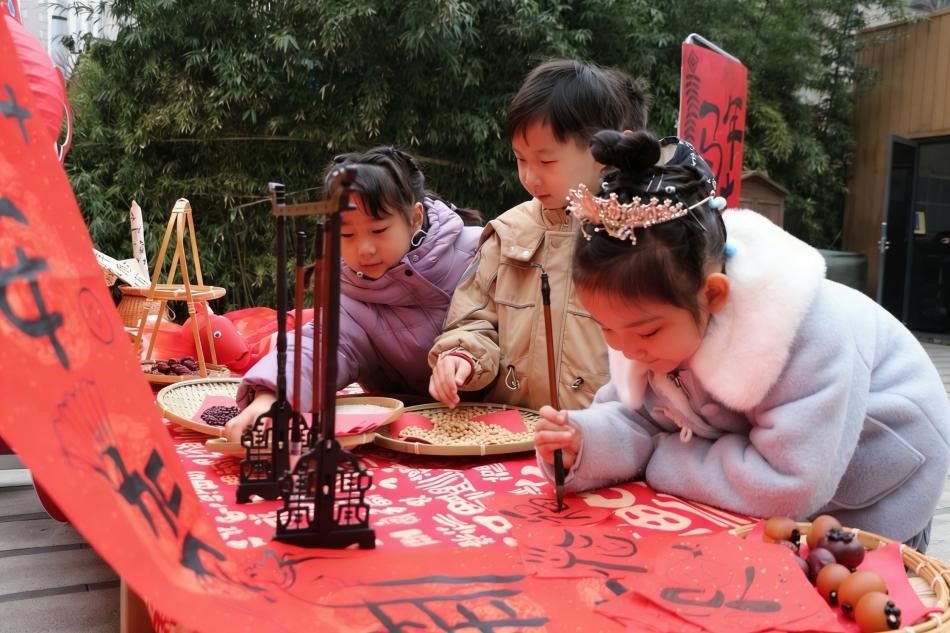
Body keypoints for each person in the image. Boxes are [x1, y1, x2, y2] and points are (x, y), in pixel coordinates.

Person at [534, 129, 950, 550]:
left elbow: (787, 485)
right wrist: (583, 442)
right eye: (605, 327)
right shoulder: (651, 317)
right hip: (762, 494)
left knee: (852, 578)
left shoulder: (805, 330)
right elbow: (637, 418)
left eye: (645, 331)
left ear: (713, 294)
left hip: (876, 485)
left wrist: (661, 457)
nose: (624, 348)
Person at [428, 59, 714, 412]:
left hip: (607, 430)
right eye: (520, 159)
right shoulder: (507, 232)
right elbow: (473, 318)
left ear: (604, 152)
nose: (530, 177)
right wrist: (461, 357)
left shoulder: (638, 236)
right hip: (512, 431)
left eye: (546, 161)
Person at [225, 146, 481, 442]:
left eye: (378, 230)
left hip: (507, 421)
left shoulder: (482, 252)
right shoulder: (348, 288)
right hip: (405, 435)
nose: (364, 250)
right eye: (346, 234)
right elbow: (320, 347)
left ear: (414, 217)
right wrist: (272, 398)